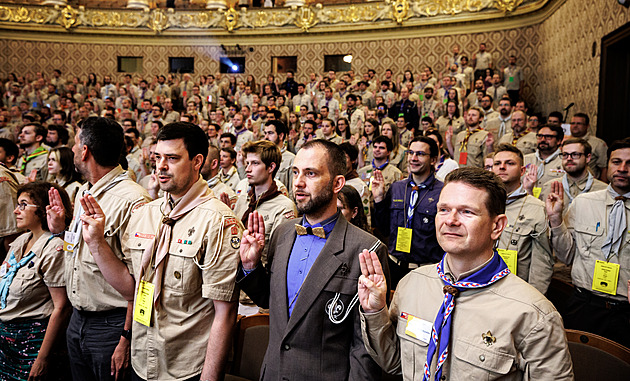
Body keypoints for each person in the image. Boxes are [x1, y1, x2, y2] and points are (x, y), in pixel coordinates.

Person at [358, 167, 574, 380]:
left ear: (497, 226)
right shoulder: (412, 284)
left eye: (466, 212)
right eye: (443, 209)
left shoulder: (533, 313)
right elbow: (395, 363)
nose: (450, 220)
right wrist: (375, 312)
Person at [236, 139, 390, 380]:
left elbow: (365, 348)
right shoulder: (282, 233)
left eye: (311, 173)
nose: (298, 182)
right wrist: (250, 266)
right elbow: (270, 300)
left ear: (338, 183)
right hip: (273, 373)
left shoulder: (366, 248)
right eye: (296, 172)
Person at [47, 116, 151, 381]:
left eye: (75, 143)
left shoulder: (134, 200)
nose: (71, 149)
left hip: (112, 325)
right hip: (78, 320)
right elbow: (79, 253)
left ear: (85, 151)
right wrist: (61, 230)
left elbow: (144, 282)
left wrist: (127, 337)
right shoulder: (85, 191)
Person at [546, 137, 630, 347]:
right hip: (584, 304)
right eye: (616, 162)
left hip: (625, 311)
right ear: (607, 164)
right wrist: (556, 220)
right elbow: (567, 256)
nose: (622, 168)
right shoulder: (584, 203)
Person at [0, 182, 72, 381]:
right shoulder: (21, 241)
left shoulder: (53, 248)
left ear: (42, 210)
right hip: (6, 342)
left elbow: (61, 307)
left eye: (23, 205)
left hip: (31, 342)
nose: (16, 210)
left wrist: (42, 358)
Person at [373, 136, 444, 287]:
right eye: (411, 153)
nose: (413, 158)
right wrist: (379, 199)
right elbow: (384, 229)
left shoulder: (442, 192)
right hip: (395, 267)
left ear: (433, 160)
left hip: (426, 271)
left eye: (420, 154)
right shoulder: (397, 188)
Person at [492, 144, 554, 294]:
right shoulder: (482, 203)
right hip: (481, 286)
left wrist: (534, 299)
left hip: (515, 290)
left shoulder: (537, 208)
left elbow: (542, 262)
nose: (502, 167)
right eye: (497, 163)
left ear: (522, 171)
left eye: (510, 163)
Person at [233, 140, 296, 267]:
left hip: (261, 276)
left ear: (271, 167)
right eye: (247, 163)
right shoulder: (243, 200)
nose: (248, 169)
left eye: (255, 163)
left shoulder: (284, 207)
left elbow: (279, 256)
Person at [539, 138, 607, 211]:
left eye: (575, 154)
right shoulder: (549, 187)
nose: (569, 158)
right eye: (565, 155)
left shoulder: (603, 190)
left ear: (588, 158)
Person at [523, 124, 564, 198]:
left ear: (558, 141)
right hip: (525, 203)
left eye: (548, 137)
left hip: (552, 204)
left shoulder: (565, 161)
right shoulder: (524, 159)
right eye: (540, 136)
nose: (542, 140)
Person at [568, 113, 608, 181]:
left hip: (588, 183)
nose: (575, 126)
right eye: (573, 123)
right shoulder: (563, 142)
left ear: (587, 126)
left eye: (579, 123)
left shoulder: (598, 143)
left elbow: (604, 168)